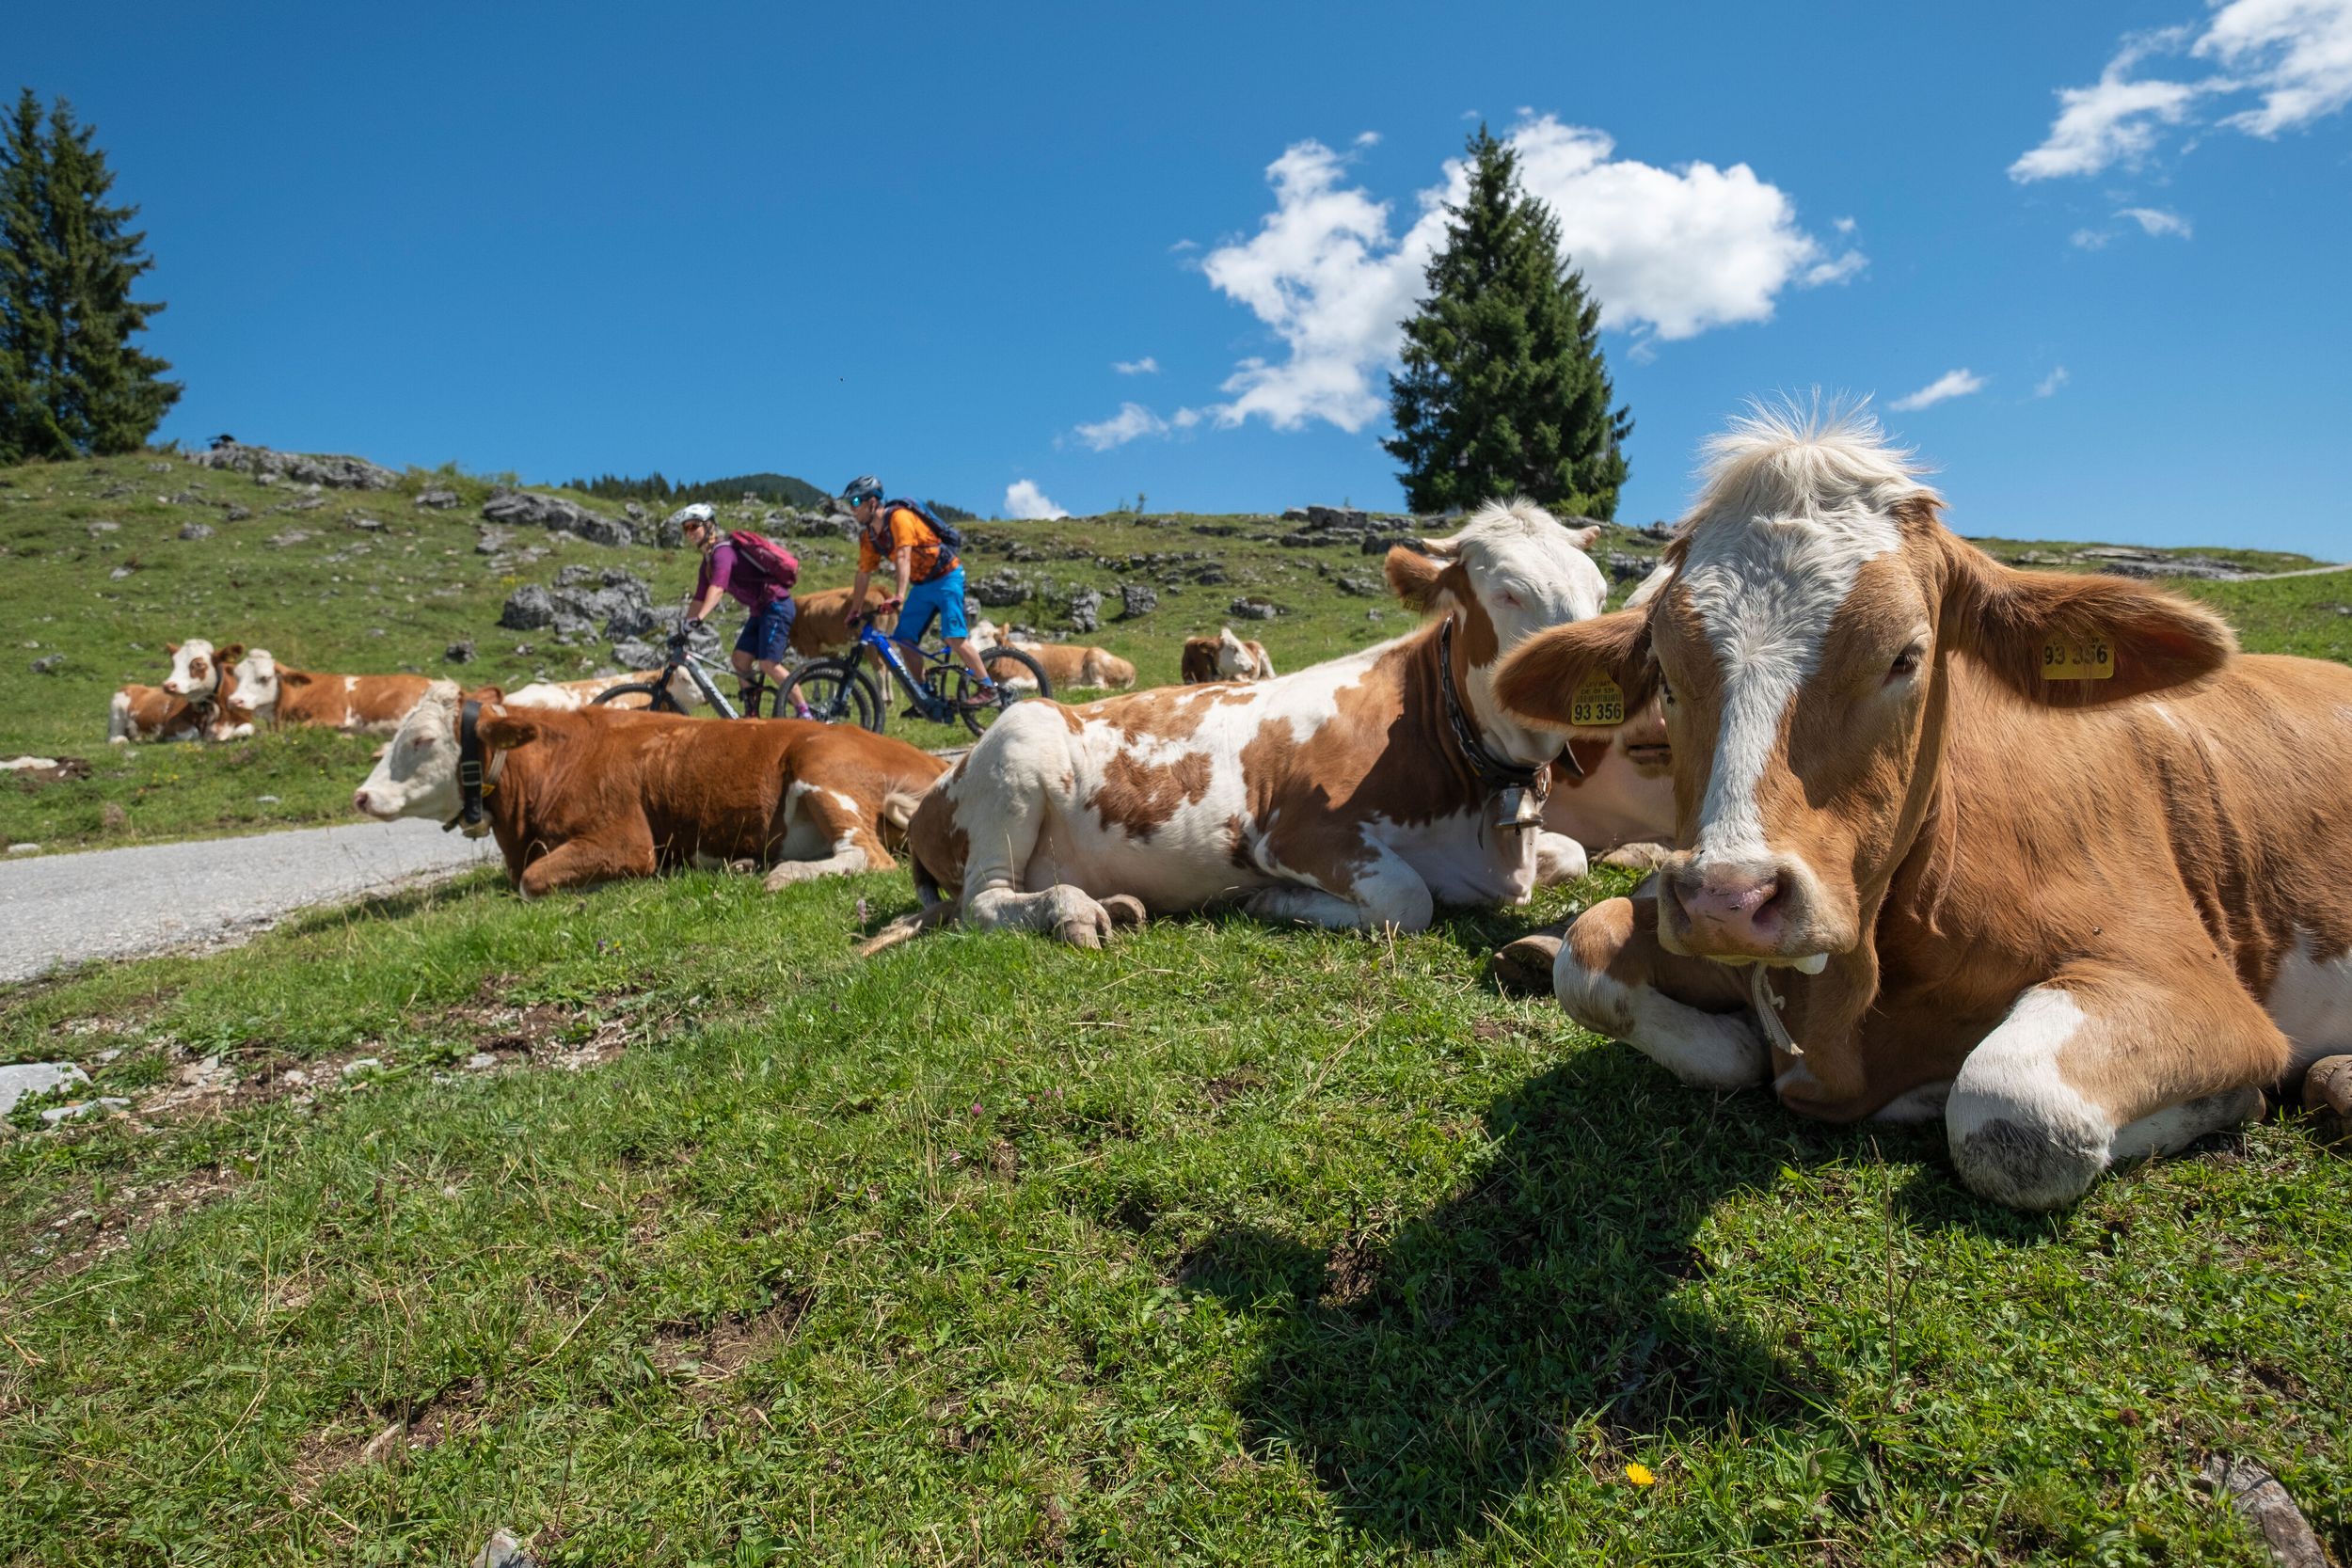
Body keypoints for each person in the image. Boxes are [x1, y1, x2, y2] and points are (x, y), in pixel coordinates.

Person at [841, 476, 993, 703]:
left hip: (947, 576)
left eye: (854, 502)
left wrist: (899, 595)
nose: (851, 509)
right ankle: (926, 697)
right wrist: (854, 609)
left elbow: (904, 555)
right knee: (903, 640)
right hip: (923, 585)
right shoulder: (870, 537)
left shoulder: (900, 517)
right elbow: (863, 574)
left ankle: (988, 688)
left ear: (872, 502)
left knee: (954, 637)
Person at [672, 503, 799, 712]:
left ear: (709, 525)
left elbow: (718, 588)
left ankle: (806, 712)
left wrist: (700, 618)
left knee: (768, 664)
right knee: (740, 660)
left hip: (777, 605)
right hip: (760, 610)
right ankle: (752, 714)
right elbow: (698, 599)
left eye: (694, 526)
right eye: (685, 528)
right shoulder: (708, 563)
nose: (689, 532)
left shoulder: (723, 552)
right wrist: (684, 629)